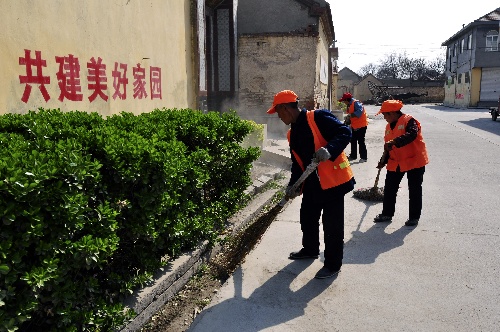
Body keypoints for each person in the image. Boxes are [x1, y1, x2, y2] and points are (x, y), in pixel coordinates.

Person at [267, 90, 355, 279]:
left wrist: (329, 149)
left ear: (285, 108)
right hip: (312, 183)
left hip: (333, 182)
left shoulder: (318, 117)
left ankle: (332, 265)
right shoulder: (292, 134)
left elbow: (345, 131)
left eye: (278, 112)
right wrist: (293, 185)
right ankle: (310, 249)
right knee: (307, 217)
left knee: (332, 225)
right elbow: (298, 164)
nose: (278, 117)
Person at [373, 99, 429, 226]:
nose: (384, 118)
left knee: (414, 189)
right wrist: (383, 160)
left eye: (385, 115)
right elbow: (388, 146)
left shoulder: (409, 121)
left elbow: (412, 134)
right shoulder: (388, 127)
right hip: (396, 161)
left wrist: (394, 142)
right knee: (389, 188)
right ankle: (387, 213)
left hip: (414, 160)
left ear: (392, 113)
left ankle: (414, 217)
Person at [338, 92, 369, 162]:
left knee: (361, 141)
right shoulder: (350, 104)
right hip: (355, 125)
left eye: (344, 101)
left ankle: (364, 157)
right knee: (353, 140)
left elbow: (359, 112)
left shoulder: (356, 103)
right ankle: (353, 155)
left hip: (361, 125)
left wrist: (350, 116)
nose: (344, 102)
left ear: (347, 100)